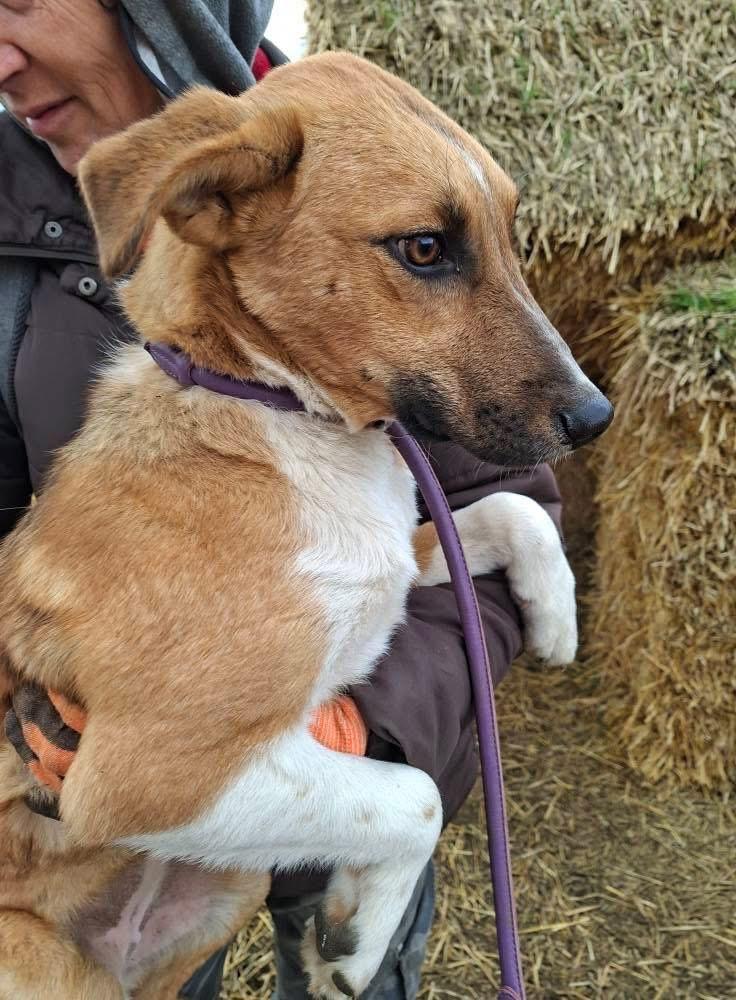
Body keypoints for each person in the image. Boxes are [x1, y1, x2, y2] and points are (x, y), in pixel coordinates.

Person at [0, 2, 566, 997]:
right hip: (73, 877)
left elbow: (443, 516)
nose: (1, 55)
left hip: (320, 815)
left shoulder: (367, 159)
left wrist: (364, 733)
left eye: (22, 0)